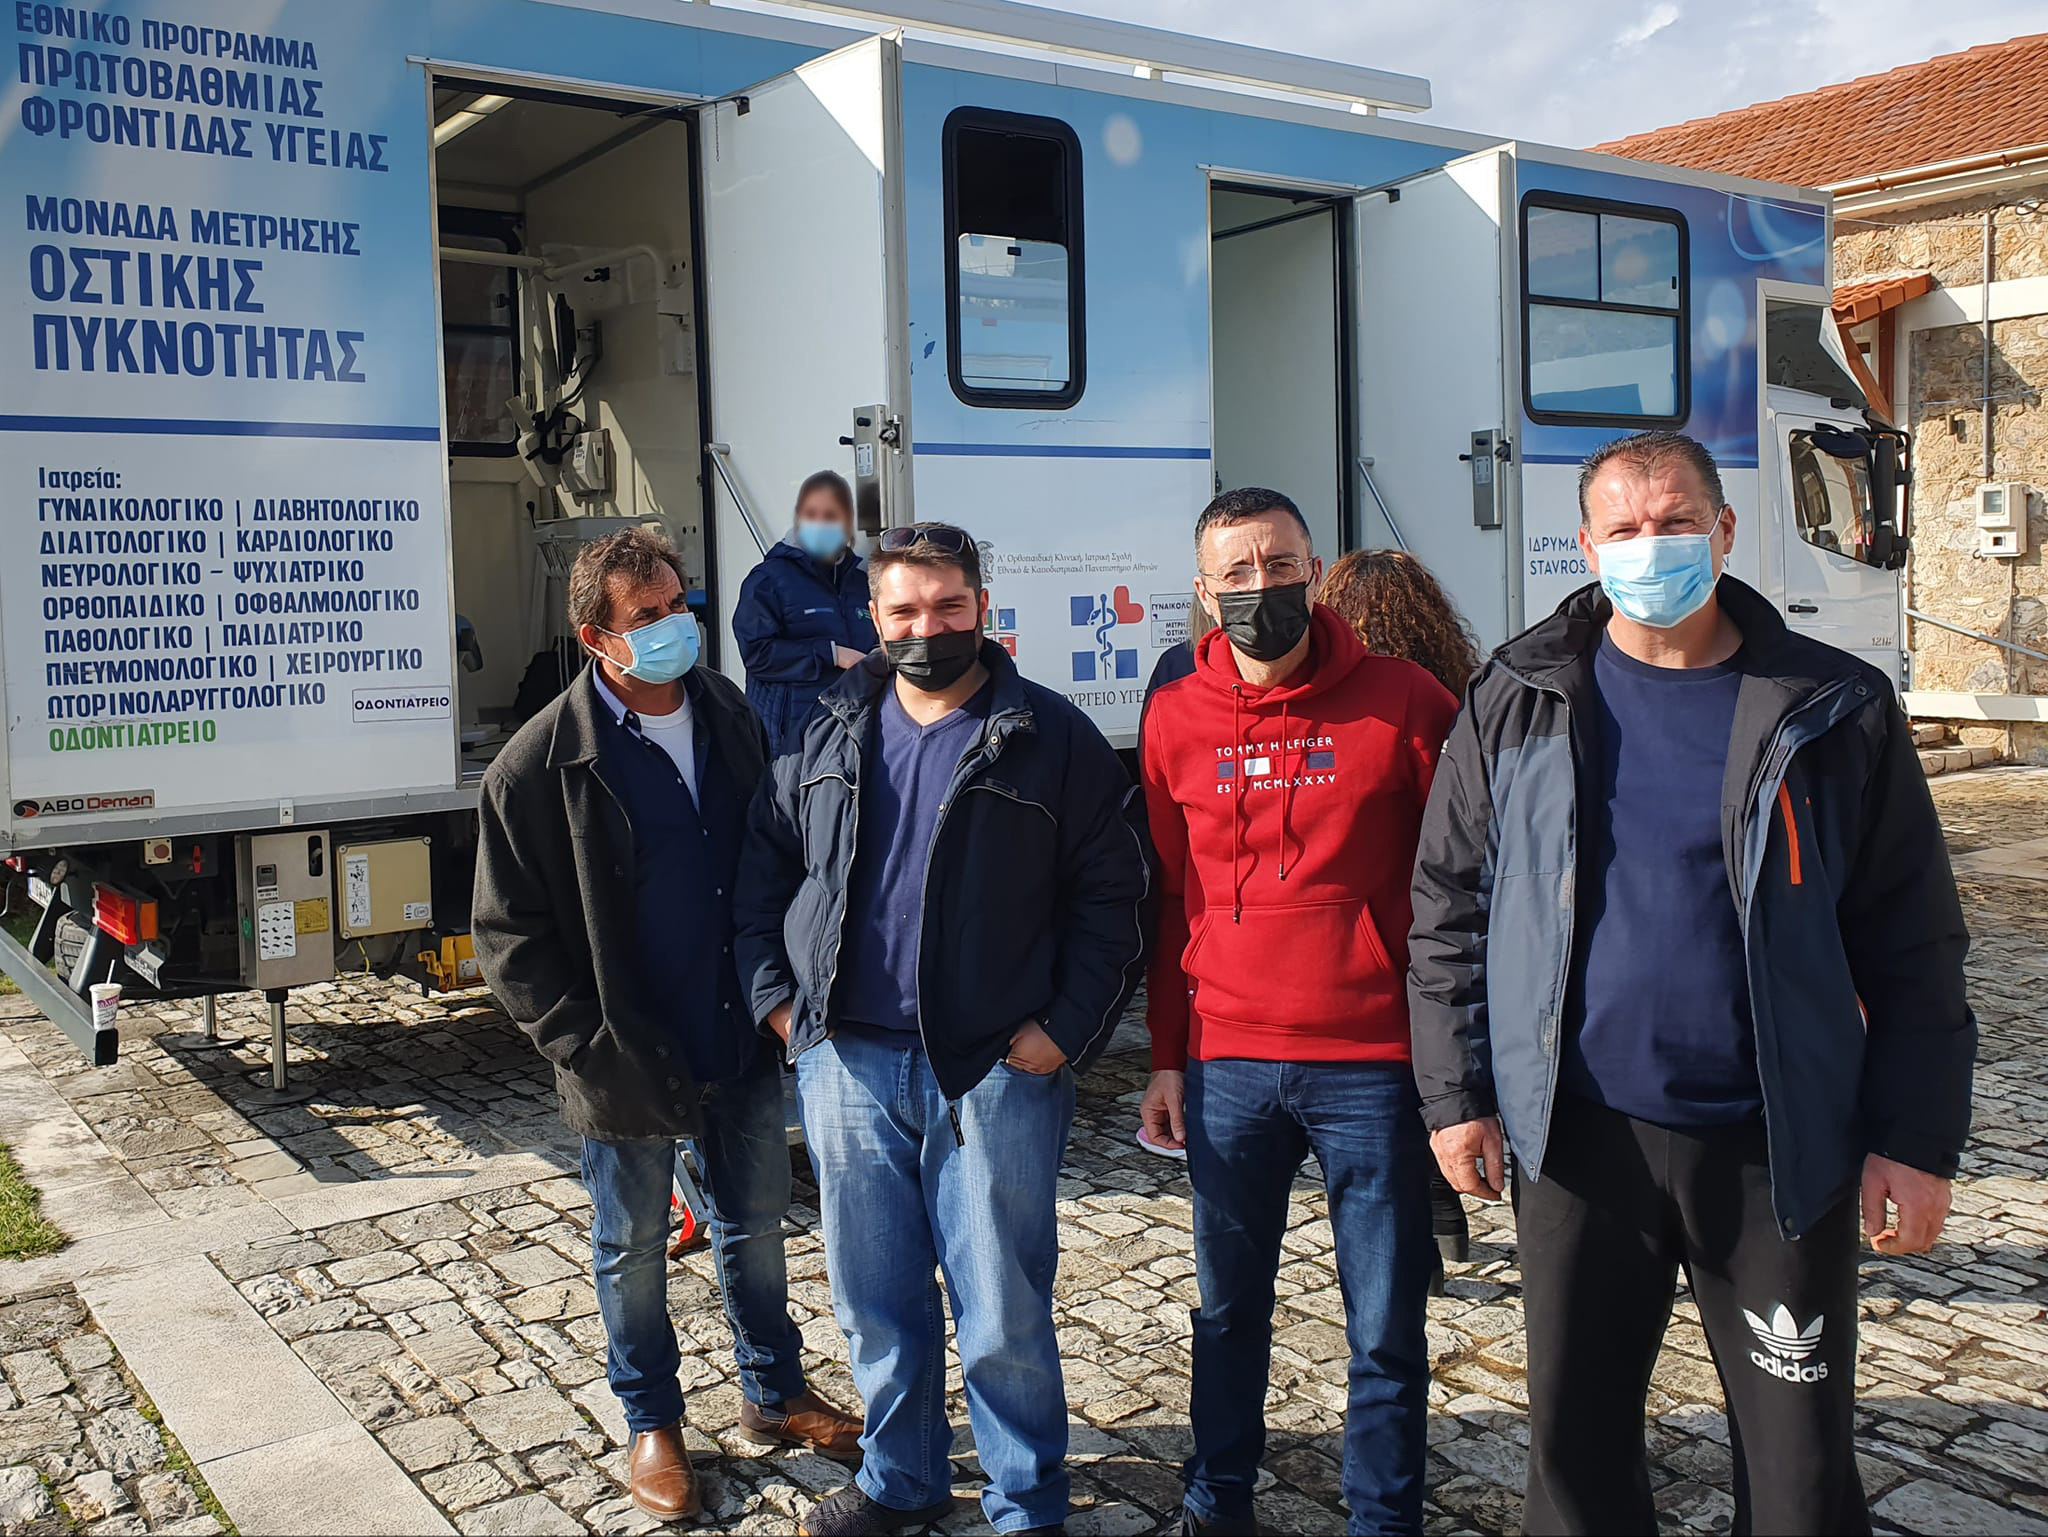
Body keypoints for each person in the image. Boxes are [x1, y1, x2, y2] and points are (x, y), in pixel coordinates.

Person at [1408, 430, 1975, 1535]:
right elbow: (1448, 907)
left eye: (1674, 522)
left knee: (1799, 1474)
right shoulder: (1518, 697)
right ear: (1585, 548)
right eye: (1622, 528)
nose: (1650, 545)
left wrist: (1916, 1138)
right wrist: (1454, 1094)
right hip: (1580, 1139)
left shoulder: (1829, 705)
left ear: (1723, 531)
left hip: (1776, 1146)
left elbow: (1911, 938)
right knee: (1574, 1462)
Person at [735, 522, 1150, 1537]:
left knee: (1001, 1304)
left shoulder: (1048, 736)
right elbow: (763, 870)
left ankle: (1026, 1501)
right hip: (846, 1060)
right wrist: (781, 1005)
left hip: (993, 1065)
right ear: (875, 618)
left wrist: (1064, 1030)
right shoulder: (828, 728)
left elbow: (1117, 896)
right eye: (905, 611)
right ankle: (901, 1482)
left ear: (982, 609)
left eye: (948, 606)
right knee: (873, 1298)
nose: (927, 629)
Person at [472, 527, 861, 1523]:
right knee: (632, 1247)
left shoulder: (726, 711)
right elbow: (508, 938)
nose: (672, 626)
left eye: (678, 605)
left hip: (738, 1029)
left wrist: (783, 984)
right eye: (646, 616)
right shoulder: (536, 765)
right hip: (625, 1057)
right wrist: (584, 1045)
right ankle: (652, 1422)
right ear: (596, 638)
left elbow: (774, 853)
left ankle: (773, 1391)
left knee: (756, 1227)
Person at [1139, 489, 1458, 1537]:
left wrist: (1453, 1062)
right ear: (1203, 592)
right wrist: (1168, 1055)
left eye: (1279, 564)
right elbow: (1170, 897)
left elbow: (1460, 884)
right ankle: (1216, 1499)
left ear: (1314, 572)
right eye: (1234, 572)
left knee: (1384, 1323)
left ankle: (1383, 1519)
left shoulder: (1406, 702)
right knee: (1227, 1309)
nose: (1259, 586)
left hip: (1372, 1062)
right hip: (1228, 1064)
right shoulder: (1174, 717)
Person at [1317, 549, 1481, 1271]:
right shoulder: (1454, 695)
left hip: (1375, 921)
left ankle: (1423, 1232)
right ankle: (1444, 1209)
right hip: (1438, 915)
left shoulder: (1355, 702)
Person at [733, 469, 878, 756]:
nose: (821, 524)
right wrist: (831, 654)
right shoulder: (768, 579)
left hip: (852, 733)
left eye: (832, 516)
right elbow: (757, 654)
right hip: (790, 744)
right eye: (812, 515)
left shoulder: (861, 583)